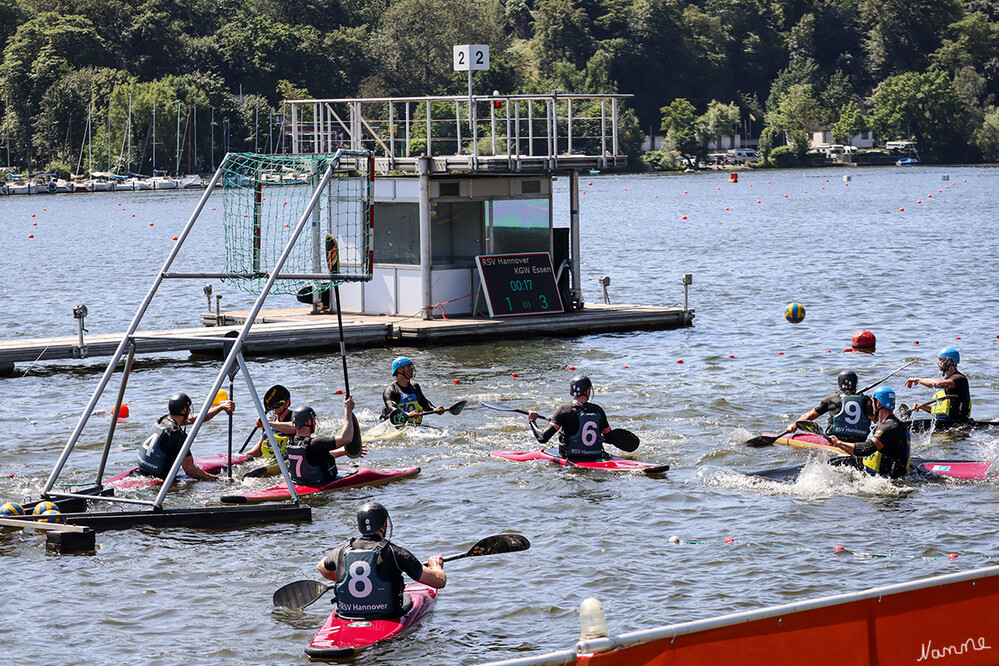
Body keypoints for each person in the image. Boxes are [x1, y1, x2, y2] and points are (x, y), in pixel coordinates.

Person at [316, 502, 446, 619]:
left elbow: (321, 567)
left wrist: (345, 576)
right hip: (388, 615)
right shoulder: (396, 553)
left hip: (347, 615)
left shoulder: (341, 550)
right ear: (383, 525)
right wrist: (436, 566)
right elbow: (439, 581)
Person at [136, 392, 236, 482]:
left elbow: (196, 419)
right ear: (184, 410)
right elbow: (190, 470)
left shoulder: (163, 420)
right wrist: (220, 479)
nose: (189, 412)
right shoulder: (178, 436)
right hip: (159, 478)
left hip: (144, 470)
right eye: (188, 409)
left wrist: (220, 408)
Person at [275, 396, 365, 484]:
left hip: (300, 482)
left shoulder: (291, 442)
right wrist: (348, 410)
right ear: (308, 422)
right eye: (313, 420)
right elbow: (346, 439)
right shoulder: (315, 443)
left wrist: (345, 452)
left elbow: (314, 457)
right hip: (319, 483)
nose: (314, 423)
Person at [829, 387, 911, 478]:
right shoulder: (888, 424)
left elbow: (867, 448)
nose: (871, 406)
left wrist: (838, 443)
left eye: (872, 402)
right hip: (883, 478)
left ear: (878, 404)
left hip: (892, 482)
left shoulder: (889, 427)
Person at [527, 375, 615, 461]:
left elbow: (542, 438)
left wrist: (532, 421)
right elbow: (609, 438)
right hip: (595, 456)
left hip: (571, 457)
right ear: (587, 391)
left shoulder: (564, 410)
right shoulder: (598, 410)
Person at [784, 370, 873, 443]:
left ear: (839, 384)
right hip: (861, 442)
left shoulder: (831, 399)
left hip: (835, 440)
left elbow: (811, 415)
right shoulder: (866, 400)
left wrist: (795, 425)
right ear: (856, 384)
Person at [904, 347, 971, 420]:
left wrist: (918, 380)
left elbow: (937, 384)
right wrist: (923, 406)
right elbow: (939, 410)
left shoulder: (959, 379)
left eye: (940, 359)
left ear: (948, 361)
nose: (938, 362)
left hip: (958, 424)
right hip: (946, 423)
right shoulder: (947, 380)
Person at [381, 356, 444, 425]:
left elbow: (425, 403)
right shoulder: (390, 390)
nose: (412, 368)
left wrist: (435, 409)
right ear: (399, 370)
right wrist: (407, 414)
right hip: (394, 426)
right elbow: (391, 409)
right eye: (408, 366)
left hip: (414, 427)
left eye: (411, 366)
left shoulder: (415, 386)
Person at [246, 385, 293, 459]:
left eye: (277, 404)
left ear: (287, 403)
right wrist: (243, 456)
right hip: (271, 461)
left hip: (288, 459)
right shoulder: (270, 420)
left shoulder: (294, 417)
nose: (274, 407)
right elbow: (259, 450)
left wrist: (268, 424)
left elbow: (294, 427)